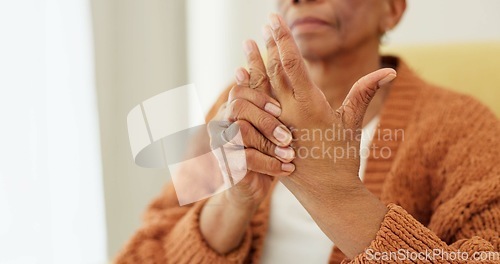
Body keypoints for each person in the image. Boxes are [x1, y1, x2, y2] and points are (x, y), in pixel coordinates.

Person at [116, 0, 500, 263]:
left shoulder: (463, 126)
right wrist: (232, 204)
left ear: (392, 9)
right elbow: (143, 254)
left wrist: (337, 197)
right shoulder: (236, 109)